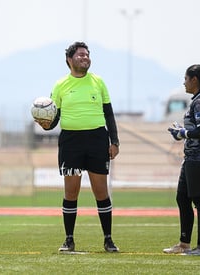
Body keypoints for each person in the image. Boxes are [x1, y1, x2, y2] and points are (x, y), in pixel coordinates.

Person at [35, 41, 120, 252]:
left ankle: (108, 239)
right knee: (71, 192)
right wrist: (46, 125)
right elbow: (54, 118)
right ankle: (69, 240)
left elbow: (109, 114)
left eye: (87, 54)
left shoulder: (98, 82)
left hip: (97, 140)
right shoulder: (60, 85)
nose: (85, 57)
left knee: (101, 191)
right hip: (71, 142)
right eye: (81, 55)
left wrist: (115, 141)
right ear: (69, 60)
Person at [164, 64, 200, 256]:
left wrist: (182, 132)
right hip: (192, 158)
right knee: (182, 197)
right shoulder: (197, 100)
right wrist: (182, 132)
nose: (184, 82)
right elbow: (198, 128)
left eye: (186, 78)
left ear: (194, 80)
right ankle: (184, 243)